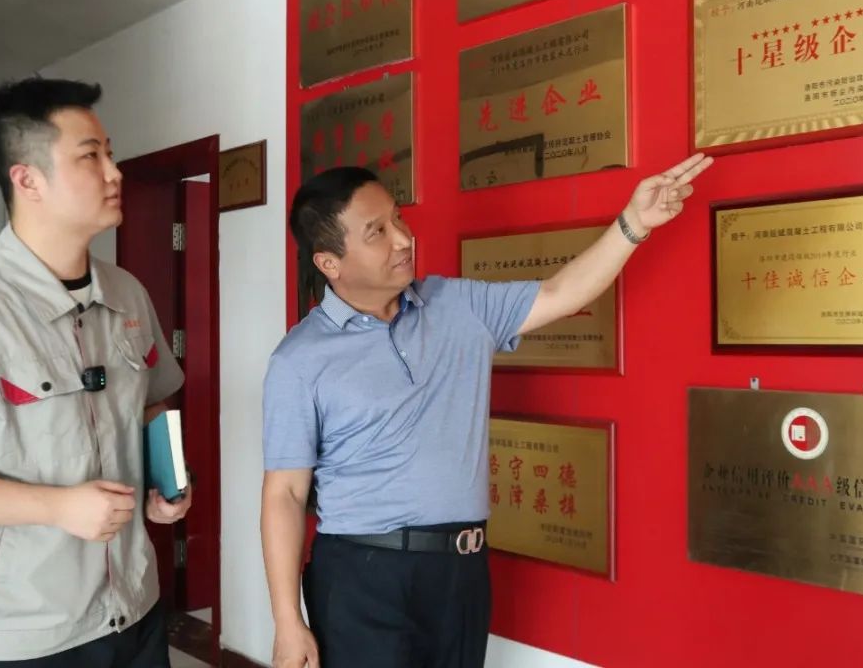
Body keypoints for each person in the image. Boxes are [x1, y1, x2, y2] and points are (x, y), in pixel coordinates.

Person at [261, 154, 713, 668]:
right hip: (363, 576)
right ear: (330, 263)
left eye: (398, 218)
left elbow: (561, 294)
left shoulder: (458, 306)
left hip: (461, 571)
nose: (404, 239)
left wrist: (633, 224)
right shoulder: (300, 360)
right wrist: (287, 621)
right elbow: (285, 493)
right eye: (377, 232)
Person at [0, 77, 192, 667]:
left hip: (135, 608)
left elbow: (152, 402)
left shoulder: (126, 293)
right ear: (27, 179)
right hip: (20, 635)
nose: (114, 172)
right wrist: (56, 507)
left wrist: (168, 480)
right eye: (90, 156)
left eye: (110, 153)